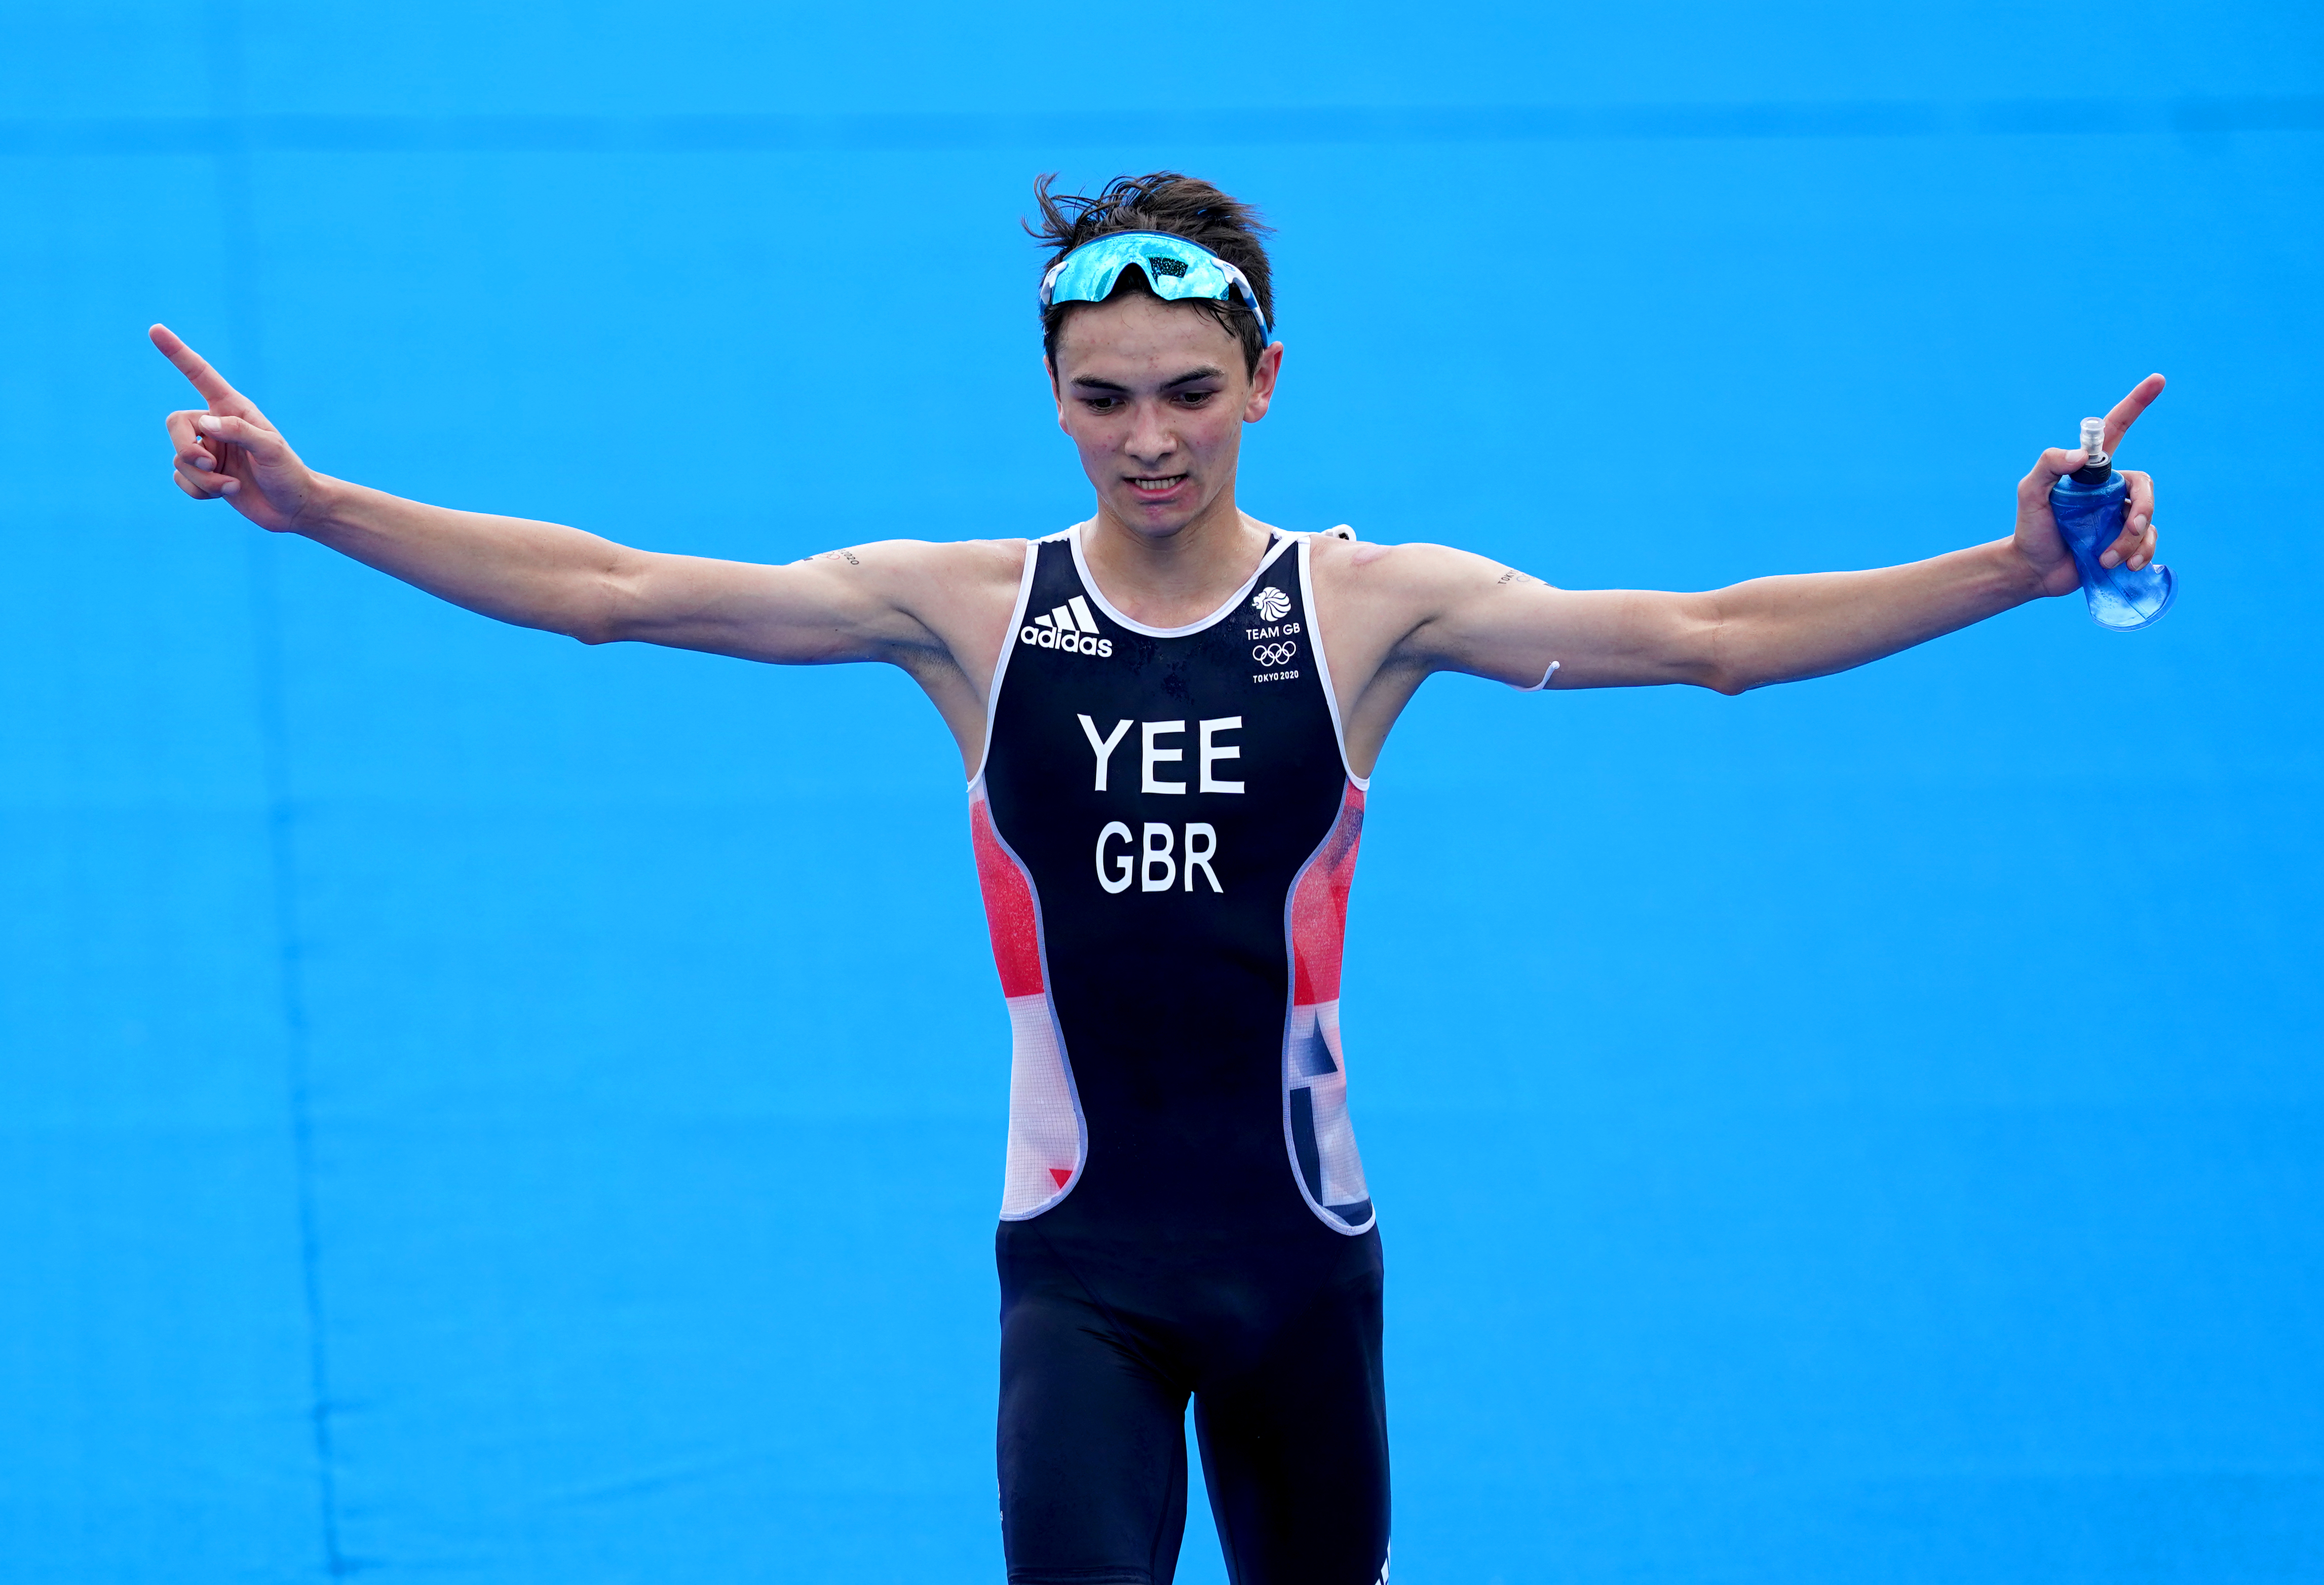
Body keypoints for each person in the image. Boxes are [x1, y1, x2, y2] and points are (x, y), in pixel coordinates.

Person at [152, 171, 2163, 1585]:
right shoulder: (963, 611)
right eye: (1104, 396)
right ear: (1055, 395)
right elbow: (608, 592)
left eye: (1190, 392)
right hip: (1083, 1276)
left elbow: (1710, 633)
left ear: (1265, 380)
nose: (1149, 439)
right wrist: (316, 506)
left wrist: (2011, 568)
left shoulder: (1373, 608)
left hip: (1303, 1267)